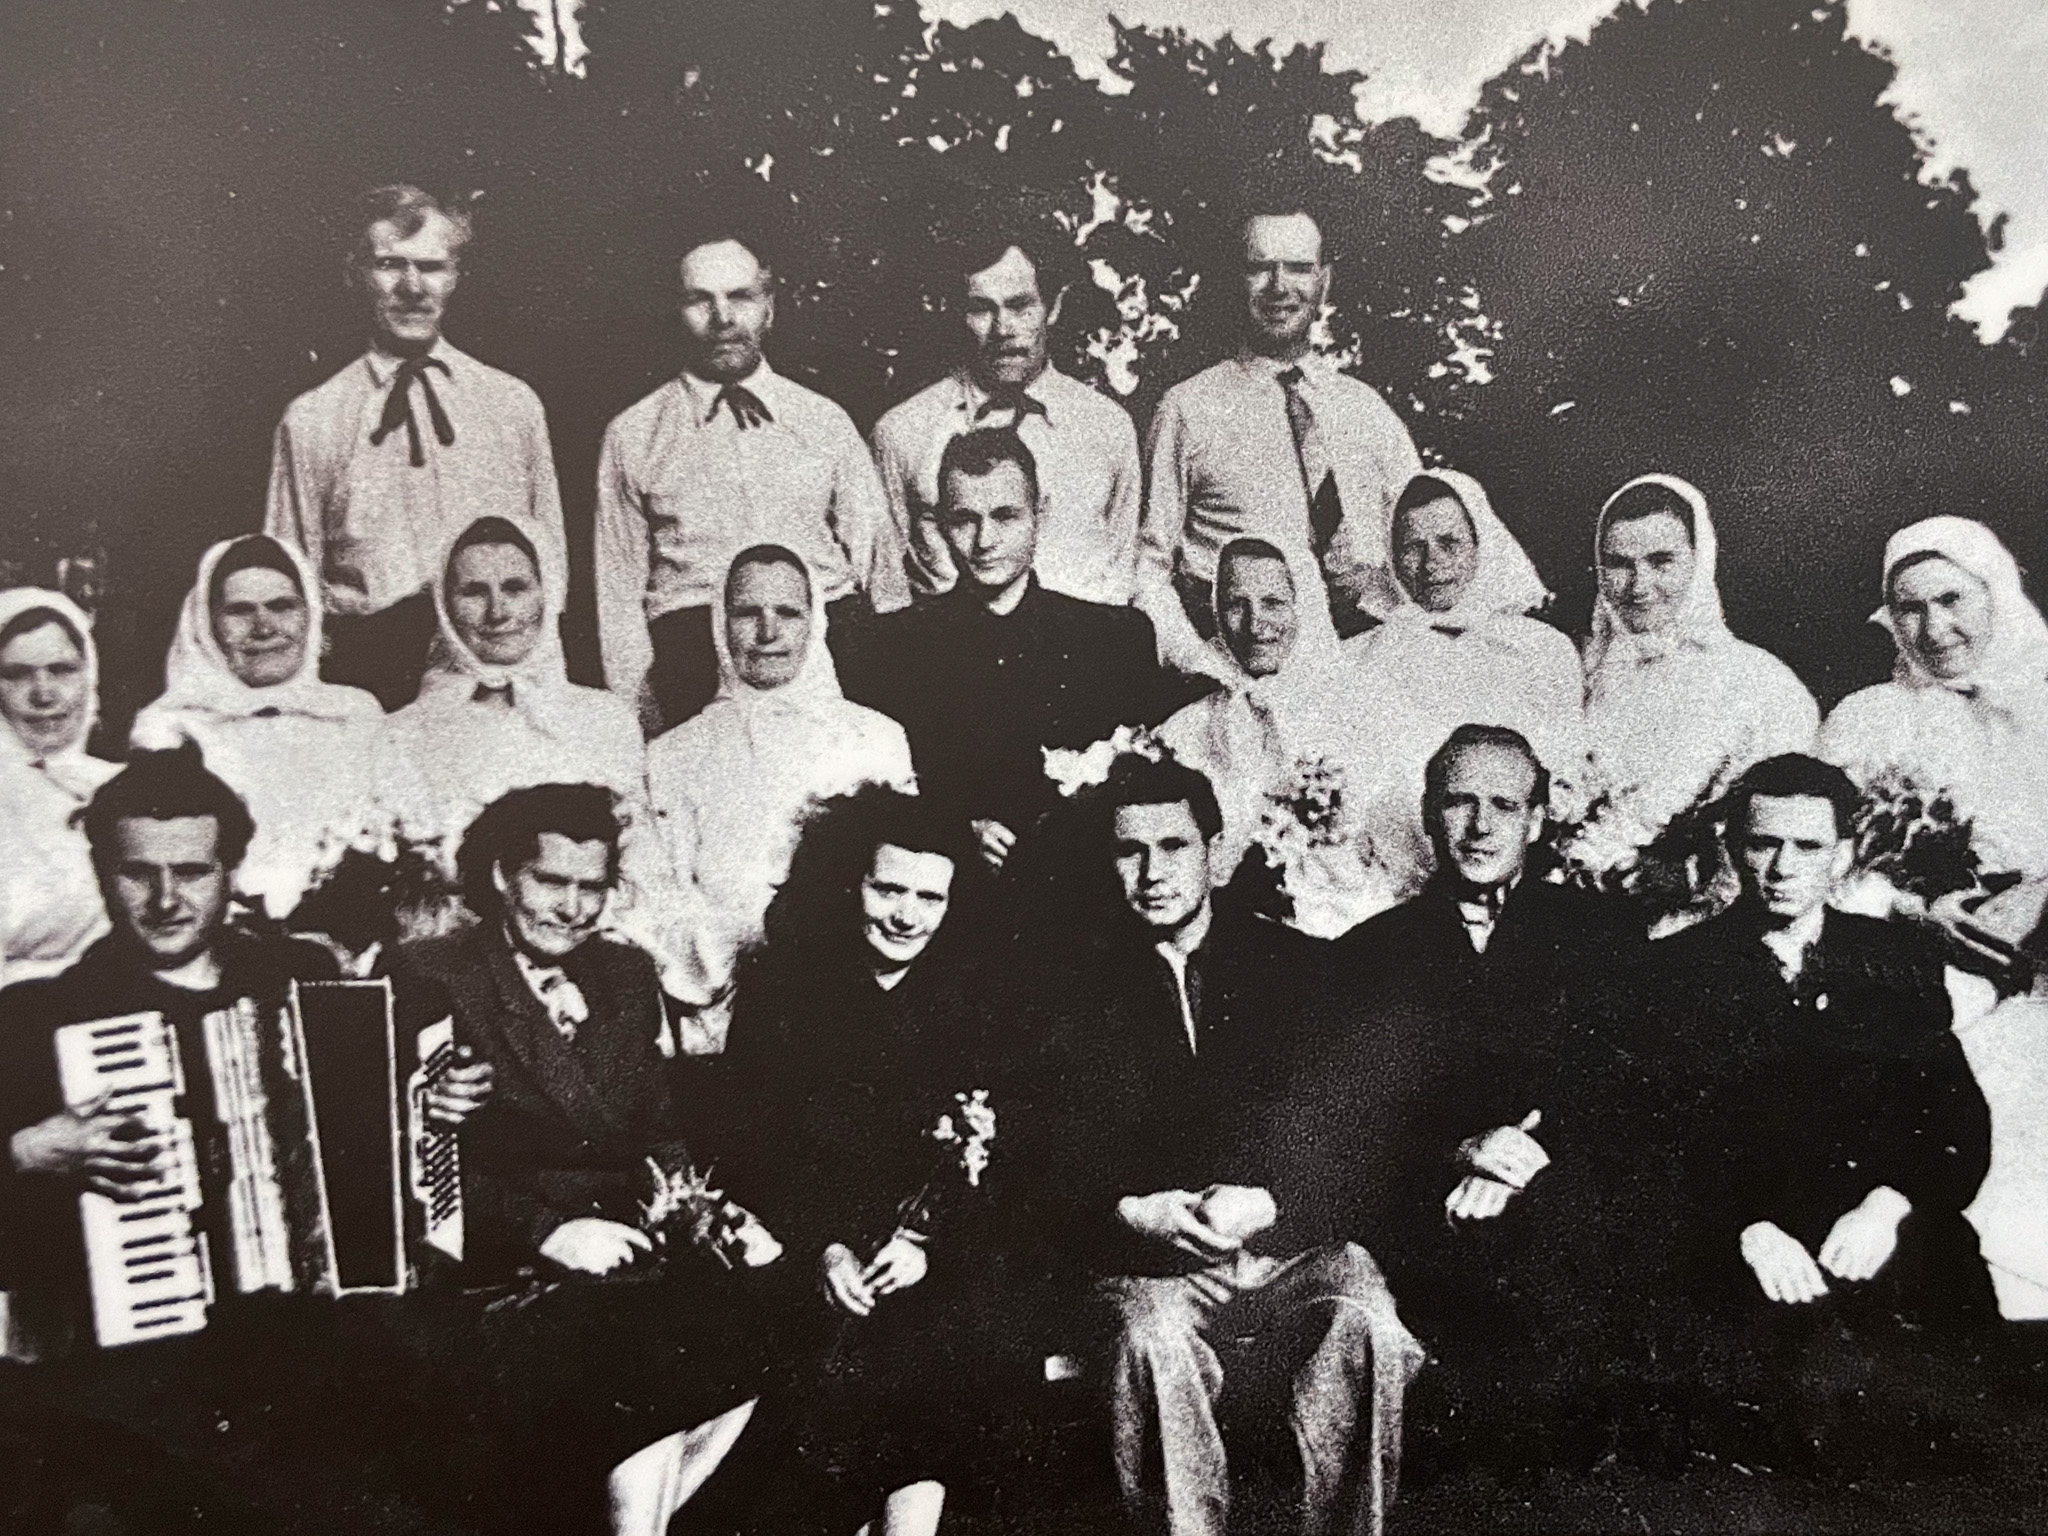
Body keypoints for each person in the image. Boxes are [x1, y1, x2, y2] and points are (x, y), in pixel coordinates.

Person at [1042, 754, 1423, 1536]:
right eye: (1129, 851)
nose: (1152, 872)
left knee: (1365, 1317)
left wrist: (1272, 1199)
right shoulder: (1069, 989)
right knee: (1148, 1340)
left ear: (1214, 853)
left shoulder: (1302, 969)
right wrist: (1132, 1209)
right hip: (1151, 1267)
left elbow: (1355, 1128)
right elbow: (1046, 1152)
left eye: (1173, 846)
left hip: (1291, 1250)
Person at [386, 784, 761, 1536]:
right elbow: (406, 1158)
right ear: (502, 876)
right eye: (550, 882)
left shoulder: (626, 975)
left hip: (629, 1249)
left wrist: (704, 1213)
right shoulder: (430, 975)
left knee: (769, 1317)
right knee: (640, 1351)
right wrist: (547, 1231)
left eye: (592, 887)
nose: (572, 908)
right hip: (503, 1273)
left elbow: (658, 1131)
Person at [1656, 756, 1995, 1460]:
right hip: (1737, 1247)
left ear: (1842, 854)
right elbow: (1651, 1138)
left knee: (1951, 1419)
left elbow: (1955, 1120)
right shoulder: (1674, 972)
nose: (1782, 867)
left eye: (1807, 846)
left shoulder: (1894, 960)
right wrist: (1745, 1227)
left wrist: (1886, 1207)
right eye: (1763, 843)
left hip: (1874, 1234)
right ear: (1733, 848)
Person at [1334, 725, 1650, 1467]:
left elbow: (1635, 1091)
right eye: (1459, 803)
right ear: (1428, 814)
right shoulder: (1368, 953)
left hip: (1570, 1196)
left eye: (1504, 806)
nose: (1480, 826)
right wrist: (1462, 1148)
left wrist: (1531, 1156)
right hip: (1432, 1209)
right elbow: (1354, 1120)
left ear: (1536, 821)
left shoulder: (1605, 936)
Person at [721, 787, 1027, 1536]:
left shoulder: (980, 1001)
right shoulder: (783, 993)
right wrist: (824, 1247)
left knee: (940, 1328)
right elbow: (754, 1153)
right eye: (888, 889)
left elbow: (1005, 1162)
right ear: (847, 885)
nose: (906, 916)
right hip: (811, 1245)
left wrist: (925, 1244)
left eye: (930, 897)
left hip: (932, 1255)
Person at [1817, 515, 2048, 1319]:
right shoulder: (1866, 717)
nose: (1933, 627)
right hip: (1899, 968)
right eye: (1908, 608)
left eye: (1952, 600)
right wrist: (1921, 913)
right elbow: (1824, 869)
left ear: (1996, 592)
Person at [595, 222, 907, 733]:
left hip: (829, 649)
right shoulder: (633, 434)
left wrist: (891, 688)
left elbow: (881, 568)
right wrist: (635, 720)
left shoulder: (823, 419)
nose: (722, 318)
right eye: (700, 300)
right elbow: (617, 600)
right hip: (692, 659)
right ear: (677, 311)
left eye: (740, 297)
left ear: (769, 308)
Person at [264, 184, 566, 709]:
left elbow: (550, 567)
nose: (412, 287)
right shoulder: (314, 417)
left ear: (456, 276)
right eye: (389, 265)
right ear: (356, 273)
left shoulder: (511, 404)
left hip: (493, 674)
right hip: (369, 677)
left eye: (431, 267)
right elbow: (288, 580)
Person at [838, 429, 1170, 874]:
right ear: (940, 524)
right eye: (964, 520)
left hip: (1086, 880)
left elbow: (1147, 791)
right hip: (947, 889)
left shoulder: (1115, 638)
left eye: (1005, 516)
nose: (984, 541)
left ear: (1041, 514)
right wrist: (956, 829)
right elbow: (873, 799)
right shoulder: (889, 647)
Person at [374, 516, 687, 978]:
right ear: (444, 603)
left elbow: (641, 861)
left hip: (588, 952)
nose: (497, 612)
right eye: (474, 592)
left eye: (515, 588)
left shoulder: (603, 719)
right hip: (454, 961)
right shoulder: (401, 732)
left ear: (547, 594)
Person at [1140, 202, 1421, 678]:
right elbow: (1147, 568)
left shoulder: (1367, 409)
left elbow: (1420, 540)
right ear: (1237, 280)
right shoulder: (1187, 409)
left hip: (1371, 674)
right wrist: (1201, 665)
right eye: (1259, 268)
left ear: (1323, 282)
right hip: (1244, 676)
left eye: (1298, 268)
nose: (1279, 286)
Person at [646, 544, 914, 1025]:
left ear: (816, 621)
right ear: (720, 622)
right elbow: (664, 897)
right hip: (716, 1000)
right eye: (747, 613)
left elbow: (901, 879)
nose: (768, 632)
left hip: (852, 997)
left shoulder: (876, 738)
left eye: (788, 613)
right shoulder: (673, 753)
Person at [1569, 474, 1818, 907]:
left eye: (1661, 561)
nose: (1638, 586)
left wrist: (1685, 874)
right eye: (1619, 564)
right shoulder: (1586, 676)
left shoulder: (1763, 683)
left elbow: (1781, 831)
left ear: (1700, 560)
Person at [1344, 470, 1587, 898]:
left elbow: (1563, 774)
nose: (1431, 563)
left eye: (1449, 543)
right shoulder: (1355, 659)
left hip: (1517, 883)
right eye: (1413, 547)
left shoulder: (1544, 650)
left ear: (1481, 543)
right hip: (1384, 885)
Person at [873, 230, 1142, 606]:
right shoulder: (903, 431)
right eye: (981, 309)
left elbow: (1124, 570)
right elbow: (887, 590)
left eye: (1020, 306)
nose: (1002, 329)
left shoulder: (1107, 425)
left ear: (1053, 306)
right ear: (959, 314)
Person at [129, 535, 385, 923]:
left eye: (282, 606)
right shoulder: (170, 727)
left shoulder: (355, 713)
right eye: (240, 611)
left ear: (309, 613)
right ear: (207, 623)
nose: (264, 628)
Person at [1156, 537, 1397, 935]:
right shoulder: (1185, 730)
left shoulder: (1360, 711)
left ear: (1302, 606)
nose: (1255, 625)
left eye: (1273, 603)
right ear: (1216, 611)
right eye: (1236, 605)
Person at [0, 589, 117, 988]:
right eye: (16, 674)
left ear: (89, 673)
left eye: (62, 670)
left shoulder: (125, 785)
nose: (43, 694)